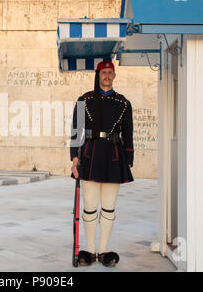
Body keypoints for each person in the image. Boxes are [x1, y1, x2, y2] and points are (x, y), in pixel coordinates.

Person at [70, 60, 134, 267]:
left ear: (114, 75)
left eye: (110, 72)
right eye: (103, 72)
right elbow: (75, 131)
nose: (107, 76)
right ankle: (88, 250)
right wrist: (74, 160)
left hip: (114, 157)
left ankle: (104, 251)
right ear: (98, 75)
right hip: (90, 156)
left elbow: (129, 134)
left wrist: (128, 160)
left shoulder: (124, 103)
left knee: (108, 207)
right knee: (89, 207)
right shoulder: (84, 100)